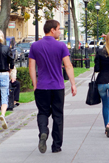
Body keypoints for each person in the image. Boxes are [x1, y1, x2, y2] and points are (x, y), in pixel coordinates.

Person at [29, 20, 77, 154]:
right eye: (58, 29)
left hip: (42, 86)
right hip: (57, 86)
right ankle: (56, 146)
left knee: (43, 112)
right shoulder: (61, 46)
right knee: (58, 116)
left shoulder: (35, 46)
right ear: (52, 30)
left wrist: (35, 84)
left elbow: (32, 67)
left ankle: (43, 132)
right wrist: (73, 84)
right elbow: (68, 65)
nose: (60, 32)